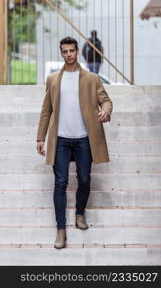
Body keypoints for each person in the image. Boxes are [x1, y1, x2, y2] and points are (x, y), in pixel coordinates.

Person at [36, 36, 113, 249]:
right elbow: (46, 110)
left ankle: (80, 213)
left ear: (77, 51)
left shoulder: (91, 78)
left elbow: (105, 100)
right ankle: (61, 230)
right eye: (65, 51)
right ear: (61, 53)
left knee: (85, 180)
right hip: (60, 139)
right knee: (60, 183)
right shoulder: (53, 80)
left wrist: (105, 111)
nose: (69, 54)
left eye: (72, 50)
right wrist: (40, 137)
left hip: (84, 139)